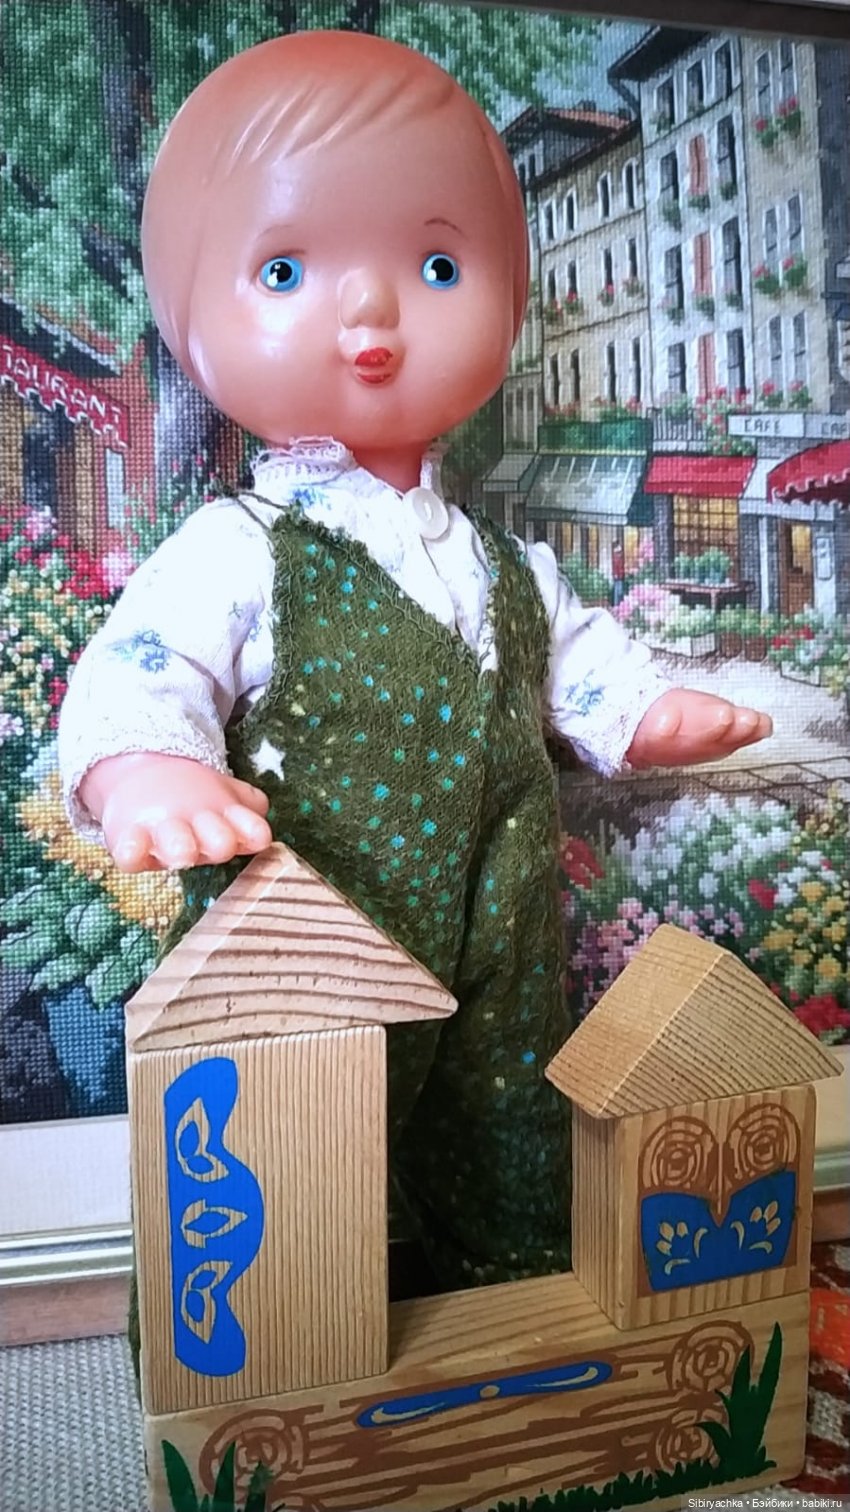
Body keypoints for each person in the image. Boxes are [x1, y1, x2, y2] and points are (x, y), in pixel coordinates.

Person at [58, 30, 771, 1287]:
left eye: (438, 266)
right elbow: (140, 670)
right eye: (285, 269)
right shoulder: (238, 549)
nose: (372, 312)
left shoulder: (503, 561)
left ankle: (514, 1283)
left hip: (505, 920)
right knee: (305, 1147)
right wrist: (143, 770)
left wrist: (639, 710)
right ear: (190, 322)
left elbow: (571, 659)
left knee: (511, 1113)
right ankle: (296, 1326)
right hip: (319, 921)